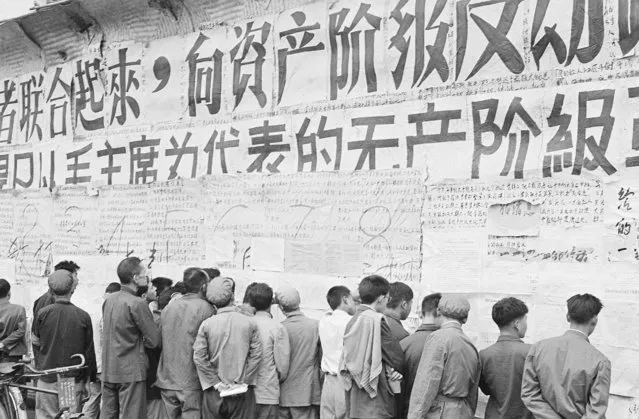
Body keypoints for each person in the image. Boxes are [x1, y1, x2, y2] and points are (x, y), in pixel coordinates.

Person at [521, 294, 611, 418]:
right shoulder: (601, 362)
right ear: (594, 320)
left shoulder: (538, 348)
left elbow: (529, 394)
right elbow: (596, 412)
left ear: (568, 317)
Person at [193, 276, 262, 418]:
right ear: (232, 296)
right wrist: (244, 381)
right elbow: (256, 355)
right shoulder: (249, 323)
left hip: (214, 392)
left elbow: (199, 358)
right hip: (241, 392)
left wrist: (217, 383)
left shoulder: (206, 325)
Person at [101, 257, 161, 419]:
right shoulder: (137, 303)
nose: (147, 279)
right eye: (145, 275)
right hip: (130, 370)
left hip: (109, 368)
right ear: (135, 278)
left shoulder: (109, 300)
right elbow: (153, 340)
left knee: (108, 414)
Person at [32, 269, 97, 418]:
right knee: (69, 416)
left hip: (47, 379)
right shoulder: (83, 316)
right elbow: (88, 353)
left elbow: (35, 342)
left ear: (50, 290)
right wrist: (89, 381)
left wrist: (41, 363)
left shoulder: (42, 314)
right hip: (70, 381)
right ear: (72, 289)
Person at [340, 275, 404, 419]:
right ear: (381, 298)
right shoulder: (377, 320)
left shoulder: (352, 320)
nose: (387, 301)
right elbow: (395, 356)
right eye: (387, 298)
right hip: (376, 393)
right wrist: (397, 371)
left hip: (356, 392)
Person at [407, 295, 480, 419]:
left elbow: (426, 383)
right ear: (465, 319)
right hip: (462, 411)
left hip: (439, 412)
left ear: (438, 312)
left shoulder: (438, 338)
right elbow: (473, 392)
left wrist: (415, 415)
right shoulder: (470, 345)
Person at [156, 268, 215, 419]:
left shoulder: (169, 307)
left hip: (166, 379)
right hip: (191, 381)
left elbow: (159, 340)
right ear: (203, 287)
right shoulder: (207, 309)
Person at [479, 297, 533, 419]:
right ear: (517, 324)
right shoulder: (532, 352)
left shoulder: (484, 355)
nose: (526, 325)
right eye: (525, 320)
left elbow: (486, 390)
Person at [244, 283, 290, 419]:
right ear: (271, 302)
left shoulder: (243, 323)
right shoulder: (277, 327)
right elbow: (282, 365)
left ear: (250, 302)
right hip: (268, 390)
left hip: (244, 392)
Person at [276, 286, 321, 419]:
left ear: (281, 308)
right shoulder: (315, 326)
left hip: (283, 393)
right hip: (308, 392)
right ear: (299, 301)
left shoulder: (280, 328)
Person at [82, 282, 121, 419]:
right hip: (105, 365)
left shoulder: (92, 311)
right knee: (107, 403)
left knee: (92, 400)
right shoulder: (109, 311)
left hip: (92, 363)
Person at [400, 293, 441, 418]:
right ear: (441, 313)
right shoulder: (449, 344)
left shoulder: (404, 344)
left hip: (408, 411)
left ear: (421, 314)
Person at [318, 286, 356, 419]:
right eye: (353, 300)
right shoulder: (351, 322)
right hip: (345, 380)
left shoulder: (324, 321)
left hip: (328, 381)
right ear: (345, 299)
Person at [32, 260, 80, 363]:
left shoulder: (50, 299)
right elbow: (39, 338)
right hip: (51, 363)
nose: (78, 280)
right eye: (75, 275)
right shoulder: (49, 301)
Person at [0, 278, 26, 363]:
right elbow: (21, 331)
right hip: (13, 354)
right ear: (9, 293)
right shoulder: (19, 310)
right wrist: (3, 343)